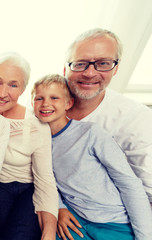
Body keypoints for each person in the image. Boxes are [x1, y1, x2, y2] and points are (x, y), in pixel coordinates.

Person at [32, 74, 152, 240]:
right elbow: (43, 180)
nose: (46, 103)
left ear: (68, 103)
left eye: (54, 97)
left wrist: (145, 236)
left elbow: (128, 182)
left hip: (113, 220)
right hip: (74, 219)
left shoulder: (90, 133)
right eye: (39, 98)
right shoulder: (36, 141)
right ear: (32, 103)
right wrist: (59, 207)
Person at [63, 28, 152, 207]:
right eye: (80, 63)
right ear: (65, 68)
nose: (89, 73)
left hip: (107, 212)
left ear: (116, 68)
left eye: (103, 63)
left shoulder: (136, 118)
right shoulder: (44, 101)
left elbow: (148, 189)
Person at [0, 52, 58, 240]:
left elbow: (45, 180)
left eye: (13, 85)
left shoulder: (35, 125)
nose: (2, 93)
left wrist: (49, 231)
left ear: (23, 89)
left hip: (26, 190)